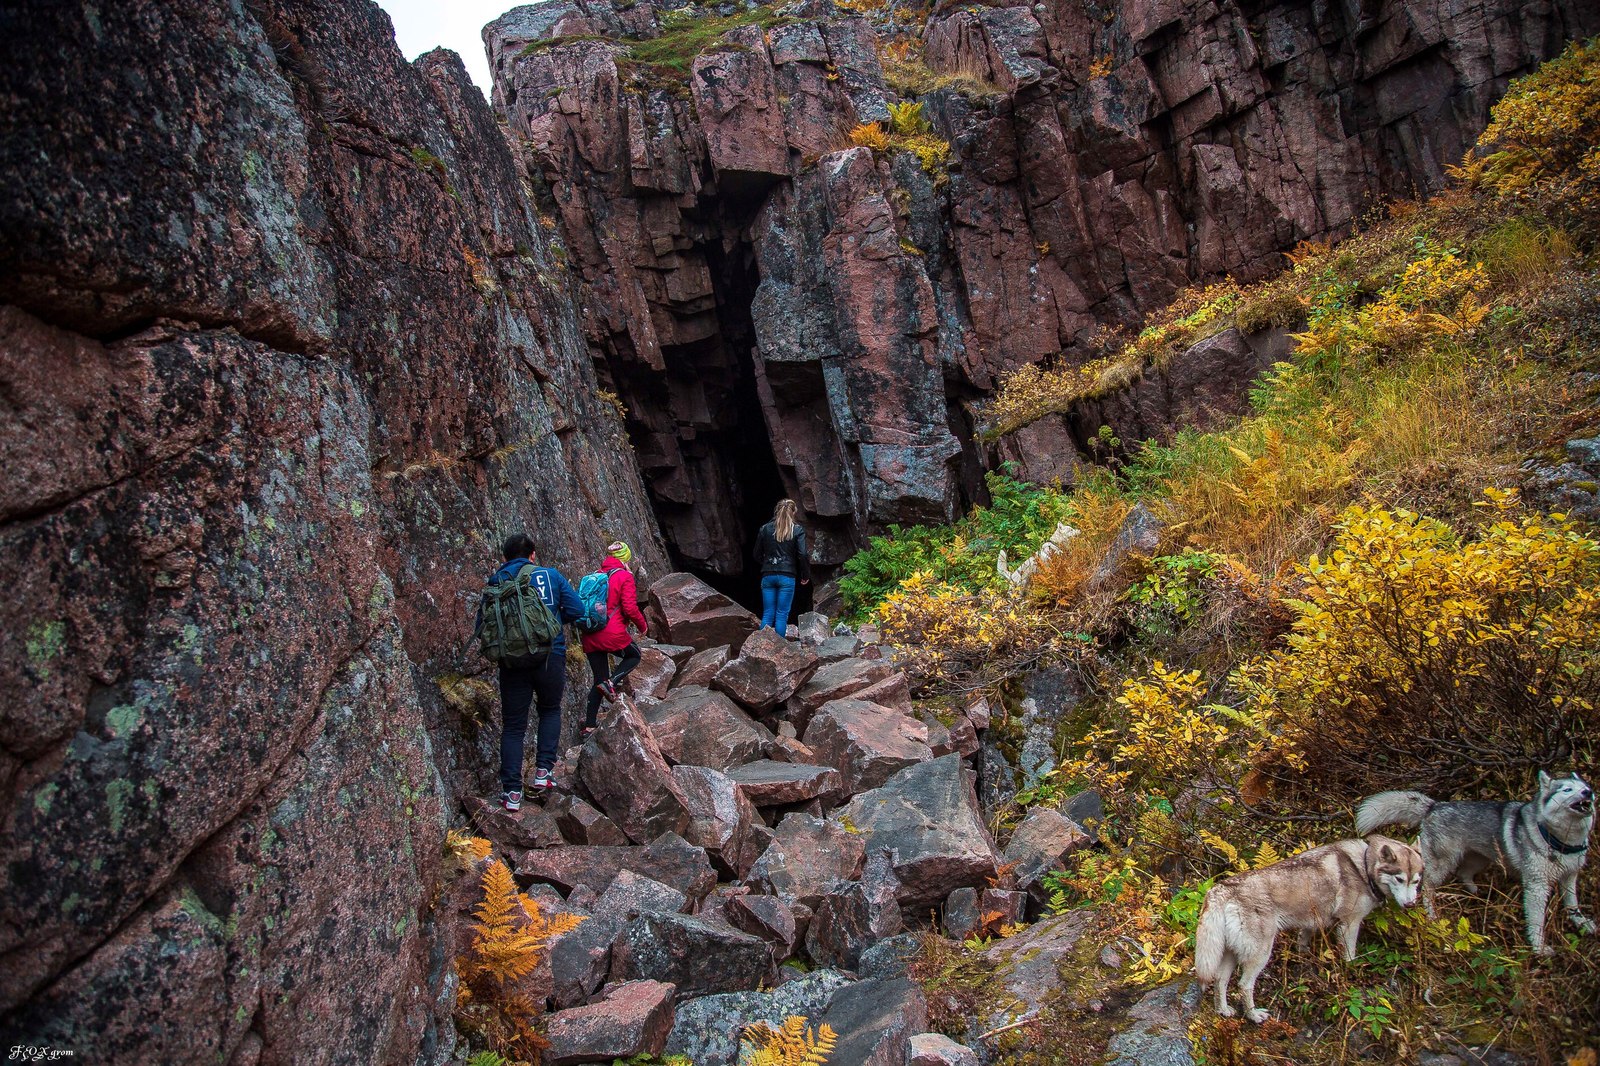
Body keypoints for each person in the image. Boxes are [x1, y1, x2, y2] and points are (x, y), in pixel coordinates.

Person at [484, 533, 583, 811]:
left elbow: (485, 625)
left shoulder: (496, 581)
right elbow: (577, 609)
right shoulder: (550, 576)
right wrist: (551, 622)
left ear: (505, 558)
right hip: (551, 655)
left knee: (514, 727)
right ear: (533, 554)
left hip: (512, 663)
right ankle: (543, 773)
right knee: (550, 710)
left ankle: (512, 794)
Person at [580, 540, 649, 737]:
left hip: (590, 633)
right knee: (634, 655)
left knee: (598, 680)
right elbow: (629, 607)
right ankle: (613, 682)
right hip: (611, 633)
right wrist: (642, 625)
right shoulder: (624, 577)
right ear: (625, 559)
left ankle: (589, 726)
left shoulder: (595, 576)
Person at [754, 499, 811, 635]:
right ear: (794, 512)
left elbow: (756, 554)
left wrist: (767, 564)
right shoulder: (797, 530)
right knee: (781, 615)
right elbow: (803, 554)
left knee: (768, 614)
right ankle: (778, 650)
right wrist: (805, 575)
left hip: (768, 575)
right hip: (787, 576)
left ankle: (760, 648)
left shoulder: (765, 529)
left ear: (776, 511)